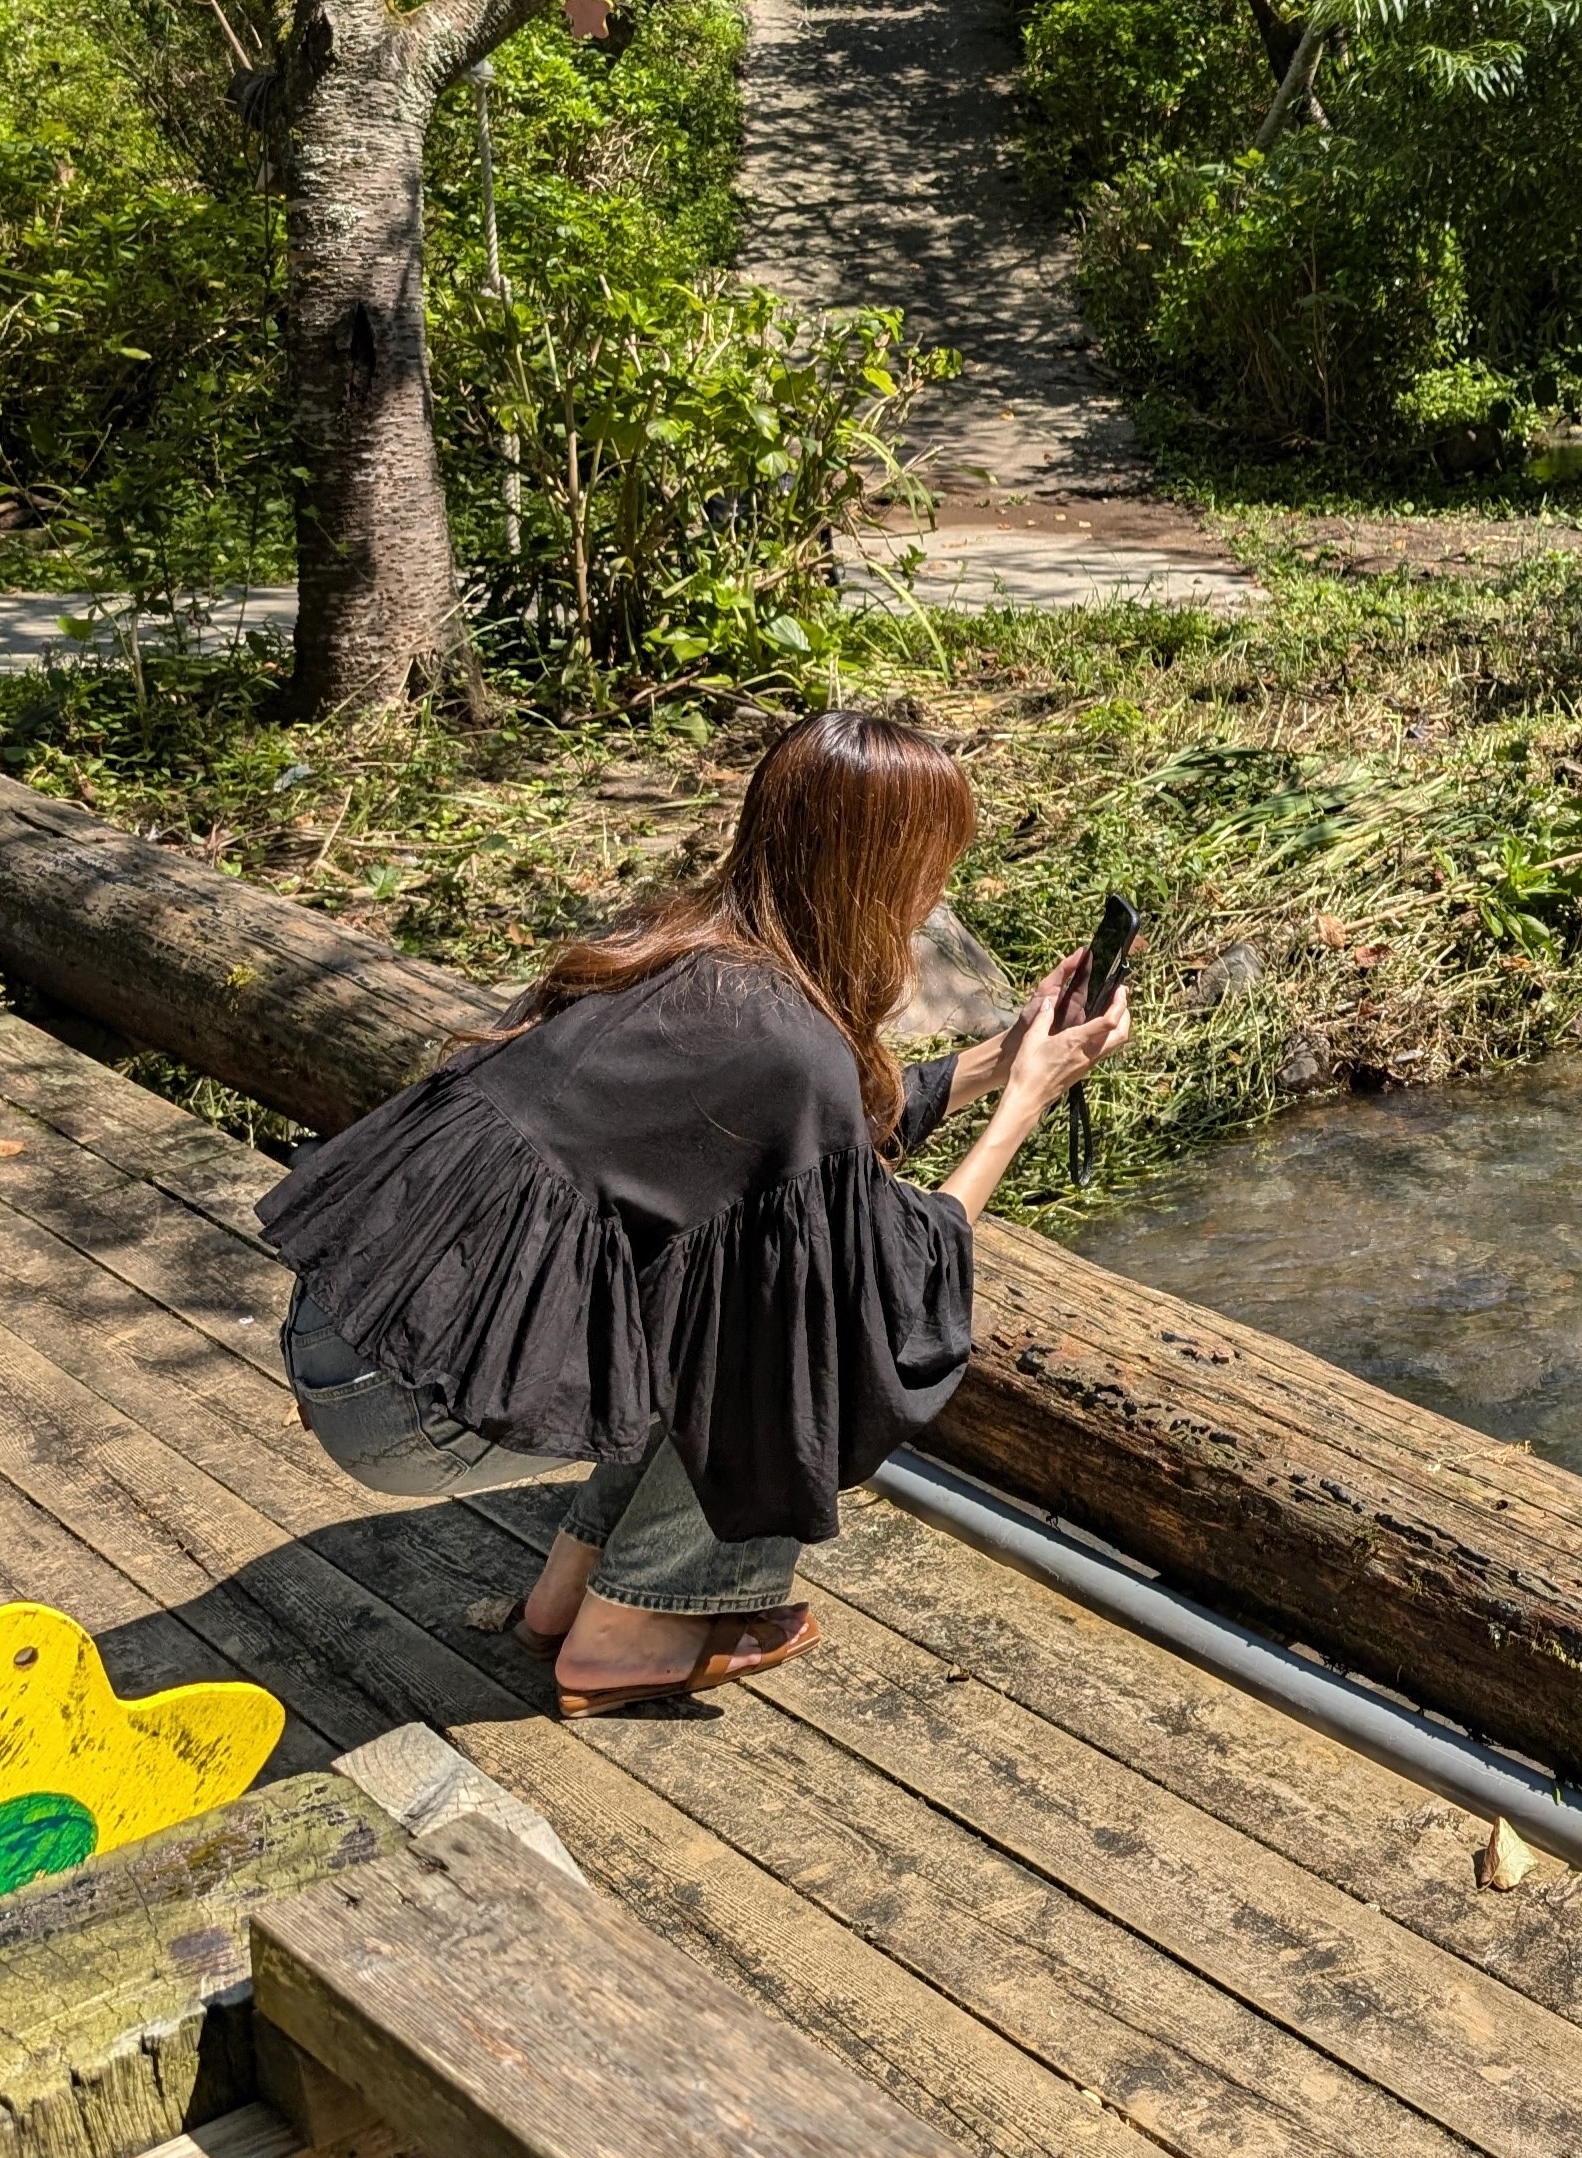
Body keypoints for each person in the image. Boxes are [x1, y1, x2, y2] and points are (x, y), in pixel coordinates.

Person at [254, 711, 1128, 1716]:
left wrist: (1004, 1056)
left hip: (348, 1333)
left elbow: (825, 1150)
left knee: (724, 1266)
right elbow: (888, 1273)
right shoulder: (786, 1044)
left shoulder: (679, 948)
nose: (939, 892)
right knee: (807, 1330)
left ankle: (570, 1598)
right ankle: (631, 1635)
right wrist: (1023, 1108)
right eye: (936, 861)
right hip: (404, 1404)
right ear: (882, 866)